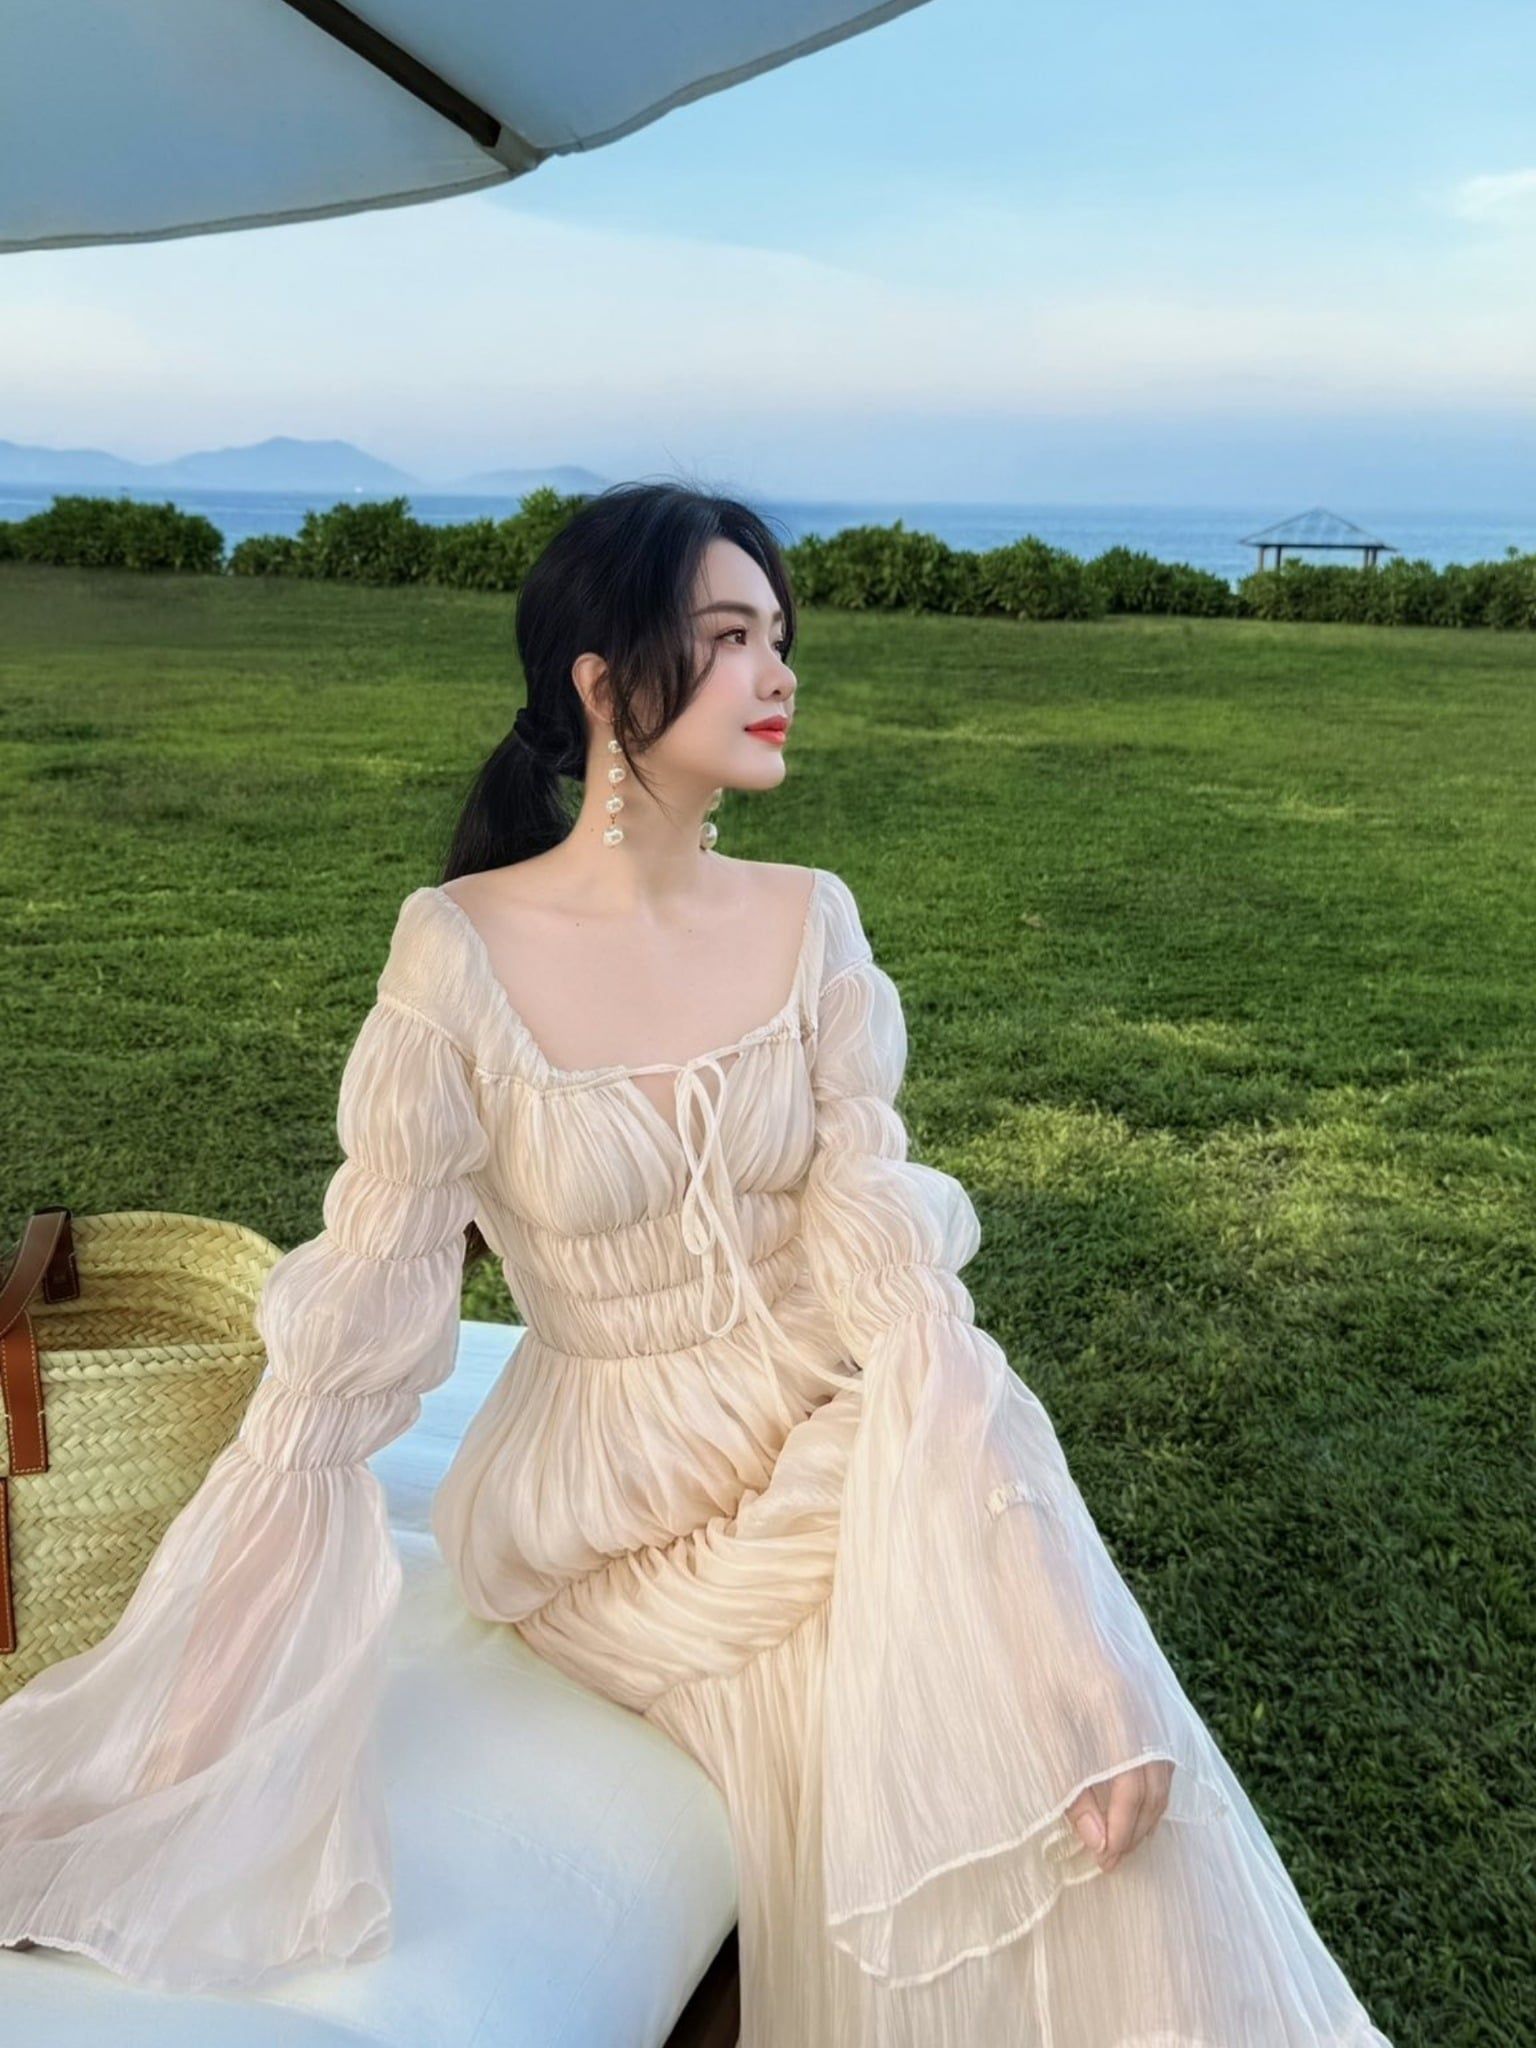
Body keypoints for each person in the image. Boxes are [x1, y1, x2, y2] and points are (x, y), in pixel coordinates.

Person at [0, 481, 1394, 2044]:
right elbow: (363, 1319)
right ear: (604, 684)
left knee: (1076, 1728)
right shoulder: (458, 949)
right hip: (619, 1510)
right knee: (928, 1750)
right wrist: (184, 1720)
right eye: (730, 637)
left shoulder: (813, 921)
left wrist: (1073, 1654)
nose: (778, 673)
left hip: (835, 1425)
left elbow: (903, 1298)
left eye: (779, 636)